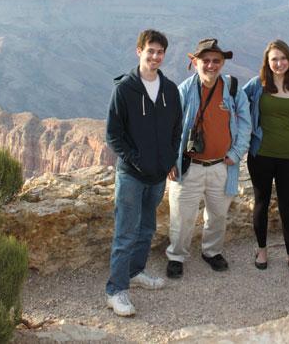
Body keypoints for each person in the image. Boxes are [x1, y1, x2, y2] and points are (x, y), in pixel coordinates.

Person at [104, 29, 182, 317]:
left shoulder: (170, 90)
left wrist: (169, 159)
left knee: (147, 229)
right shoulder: (125, 89)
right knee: (125, 233)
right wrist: (136, 161)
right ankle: (115, 290)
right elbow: (113, 135)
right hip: (131, 176)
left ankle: (136, 272)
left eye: (160, 52)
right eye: (150, 51)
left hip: (158, 175)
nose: (155, 56)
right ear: (139, 51)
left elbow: (177, 129)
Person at [165, 38, 251, 279]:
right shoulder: (183, 90)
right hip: (189, 166)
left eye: (216, 61)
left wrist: (235, 153)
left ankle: (212, 252)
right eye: (206, 60)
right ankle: (176, 256)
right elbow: (169, 128)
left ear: (222, 63)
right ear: (194, 62)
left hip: (221, 166)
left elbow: (245, 123)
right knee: (182, 217)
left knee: (218, 214)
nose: (211, 65)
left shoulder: (232, 89)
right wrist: (171, 160)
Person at [243, 40, 289, 276]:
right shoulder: (257, 85)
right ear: (267, 62)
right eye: (274, 59)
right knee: (261, 203)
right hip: (260, 153)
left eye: (283, 58)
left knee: (287, 206)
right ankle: (261, 250)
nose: (279, 63)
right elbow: (238, 103)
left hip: (288, 154)